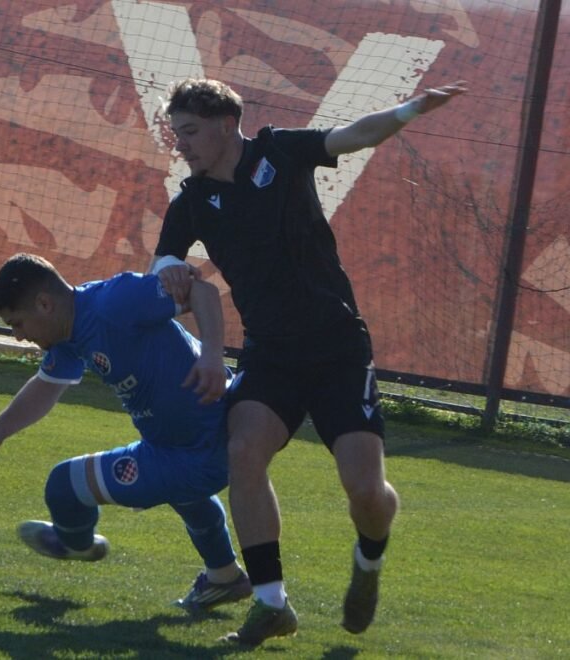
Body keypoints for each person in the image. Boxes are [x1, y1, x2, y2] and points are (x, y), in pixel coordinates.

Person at [150, 78, 468, 645]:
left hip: (337, 349)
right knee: (243, 451)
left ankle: (369, 559)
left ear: (226, 124)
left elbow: (356, 134)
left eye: (191, 131)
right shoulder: (192, 202)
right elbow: (162, 265)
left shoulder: (280, 151)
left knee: (365, 491)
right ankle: (271, 602)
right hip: (270, 354)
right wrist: (169, 272)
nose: (182, 144)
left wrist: (411, 108)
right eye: (177, 133)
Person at [0, 252, 250, 612]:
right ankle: (224, 576)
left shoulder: (114, 301)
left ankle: (78, 545)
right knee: (187, 496)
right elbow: (46, 386)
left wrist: (212, 357)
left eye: (17, 323)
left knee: (63, 485)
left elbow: (202, 291)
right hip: (178, 444)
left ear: (44, 304)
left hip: (198, 448)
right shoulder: (67, 335)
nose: (18, 337)